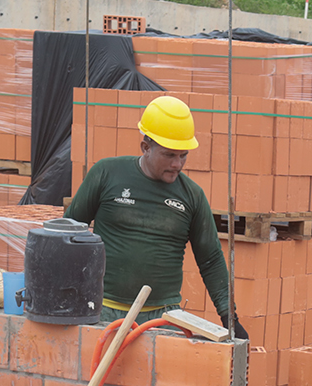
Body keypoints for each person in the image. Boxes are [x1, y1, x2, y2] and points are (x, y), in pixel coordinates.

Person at [64, 95, 246, 336]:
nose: (177, 164)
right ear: (146, 147)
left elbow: (211, 260)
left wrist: (229, 316)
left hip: (162, 319)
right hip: (103, 310)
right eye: (169, 155)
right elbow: (68, 233)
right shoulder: (106, 174)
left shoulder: (192, 196)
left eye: (183, 155)